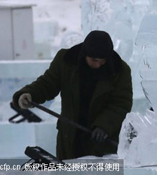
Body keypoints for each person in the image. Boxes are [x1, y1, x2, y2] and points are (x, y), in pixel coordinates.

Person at [12, 30, 133, 160]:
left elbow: (121, 103)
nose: (98, 65)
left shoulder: (120, 70)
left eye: (103, 61)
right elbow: (47, 83)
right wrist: (29, 94)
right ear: (85, 53)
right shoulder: (66, 60)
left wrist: (103, 126)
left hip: (102, 142)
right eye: (94, 60)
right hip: (70, 139)